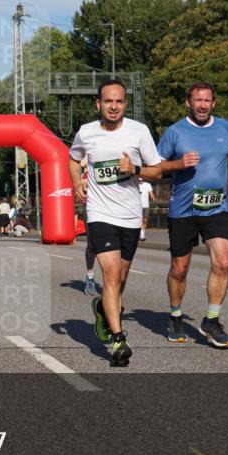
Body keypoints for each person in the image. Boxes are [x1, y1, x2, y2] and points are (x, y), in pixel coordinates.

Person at [69, 79, 163, 366]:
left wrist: (135, 169)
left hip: (130, 215)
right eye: (108, 101)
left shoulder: (139, 131)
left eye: (119, 101)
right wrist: (77, 182)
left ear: (126, 104)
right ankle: (119, 339)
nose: (114, 106)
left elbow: (157, 171)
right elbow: (73, 159)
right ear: (98, 104)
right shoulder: (86, 132)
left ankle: (102, 308)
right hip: (100, 213)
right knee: (110, 275)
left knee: (119, 280)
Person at [157, 82, 228, 348]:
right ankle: (176, 316)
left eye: (207, 100)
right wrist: (179, 164)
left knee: (223, 262)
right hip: (183, 209)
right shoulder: (175, 132)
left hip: (216, 207)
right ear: (188, 102)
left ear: (213, 103)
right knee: (179, 269)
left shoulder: (224, 127)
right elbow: (156, 166)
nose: (202, 105)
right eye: (198, 100)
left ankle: (212, 320)